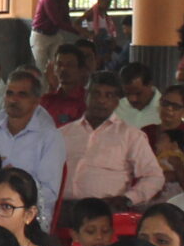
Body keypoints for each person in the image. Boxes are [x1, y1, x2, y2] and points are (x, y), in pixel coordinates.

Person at [59, 71, 161, 209]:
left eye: (109, 95)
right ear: (86, 96)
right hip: (61, 208)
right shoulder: (63, 133)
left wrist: (128, 199)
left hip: (105, 210)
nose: (101, 100)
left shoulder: (131, 136)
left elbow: (154, 177)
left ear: (117, 102)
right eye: (96, 94)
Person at [0, 67, 67, 225]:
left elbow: (49, 193)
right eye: (9, 93)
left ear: (36, 101)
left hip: (29, 217)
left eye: (22, 95)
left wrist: (15, 186)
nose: (13, 100)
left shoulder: (50, 136)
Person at [30, 0, 79, 71]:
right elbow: (57, 21)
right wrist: (77, 31)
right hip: (40, 36)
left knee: (58, 64)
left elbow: (65, 16)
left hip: (54, 34)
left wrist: (75, 27)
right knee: (41, 67)